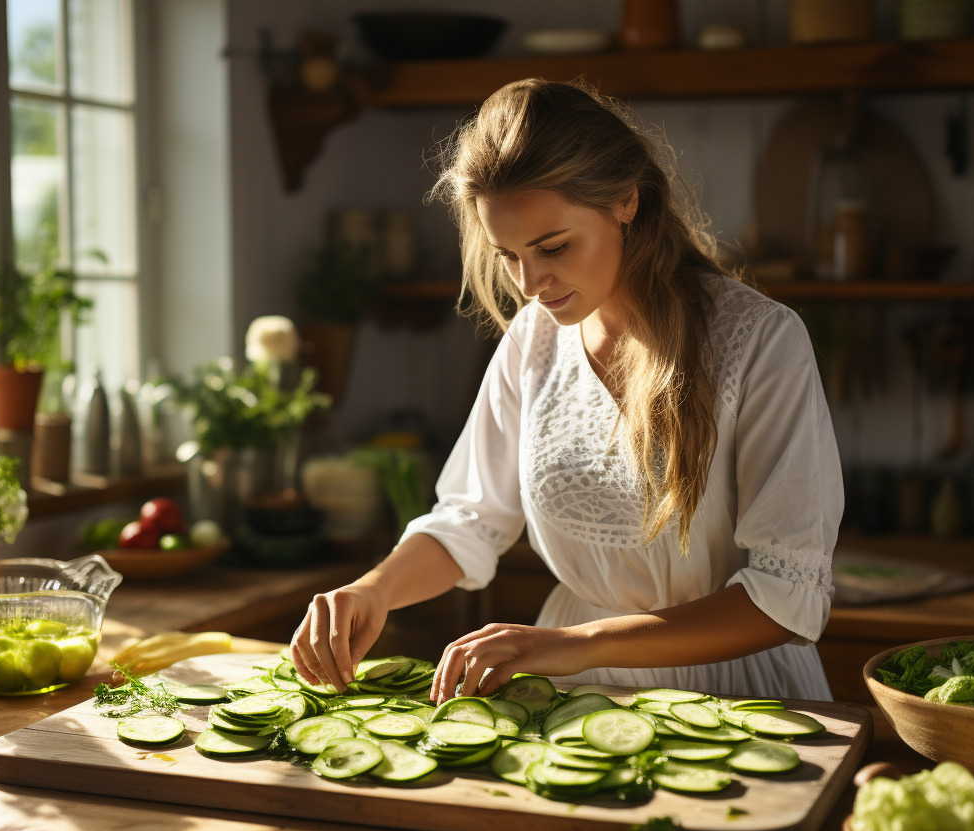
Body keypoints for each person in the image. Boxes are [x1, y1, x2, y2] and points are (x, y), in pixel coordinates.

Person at [290, 78, 843, 706]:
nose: (530, 284)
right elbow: (469, 518)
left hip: (731, 694)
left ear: (626, 201)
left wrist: (583, 642)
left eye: (553, 247)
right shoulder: (536, 338)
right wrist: (375, 590)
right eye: (508, 255)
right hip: (570, 689)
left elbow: (787, 595)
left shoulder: (760, 340)